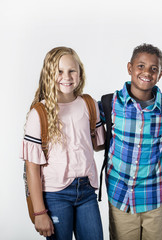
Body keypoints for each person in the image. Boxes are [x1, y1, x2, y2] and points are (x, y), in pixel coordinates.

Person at [20, 47, 105, 239]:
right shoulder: (39, 113)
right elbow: (32, 168)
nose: (66, 76)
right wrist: (39, 212)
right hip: (55, 194)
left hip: (87, 191)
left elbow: (99, 144)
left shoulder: (89, 104)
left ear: (80, 72)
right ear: (49, 74)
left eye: (71, 70)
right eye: (59, 71)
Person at [99, 43, 162, 240]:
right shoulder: (111, 103)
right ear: (130, 68)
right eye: (141, 66)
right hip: (121, 197)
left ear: (160, 74)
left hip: (154, 198)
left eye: (154, 68)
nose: (147, 72)